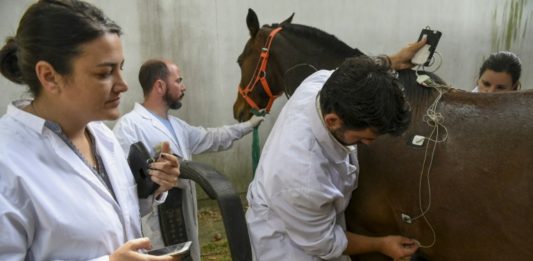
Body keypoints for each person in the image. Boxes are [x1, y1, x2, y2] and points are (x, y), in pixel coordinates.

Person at [0, 0, 180, 260]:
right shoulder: (7, 163)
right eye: (105, 73)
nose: (123, 84)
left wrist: (151, 188)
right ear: (49, 76)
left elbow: (107, 220)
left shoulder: (101, 135)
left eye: (121, 68)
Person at [245, 40, 428, 260]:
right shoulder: (302, 176)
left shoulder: (321, 84)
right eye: (362, 139)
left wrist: (392, 61)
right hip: (291, 248)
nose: (369, 144)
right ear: (333, 121)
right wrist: (381, 244)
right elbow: (325, 243)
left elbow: (349, 73)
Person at [112, 58, 265, 260]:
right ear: (160, 85)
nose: (183, 87)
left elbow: (212, 137)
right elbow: (123, 189)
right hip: (153, 228)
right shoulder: (128, 127)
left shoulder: (177, 126)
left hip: (184, 221)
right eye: (178, 81)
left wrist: (247, 126)